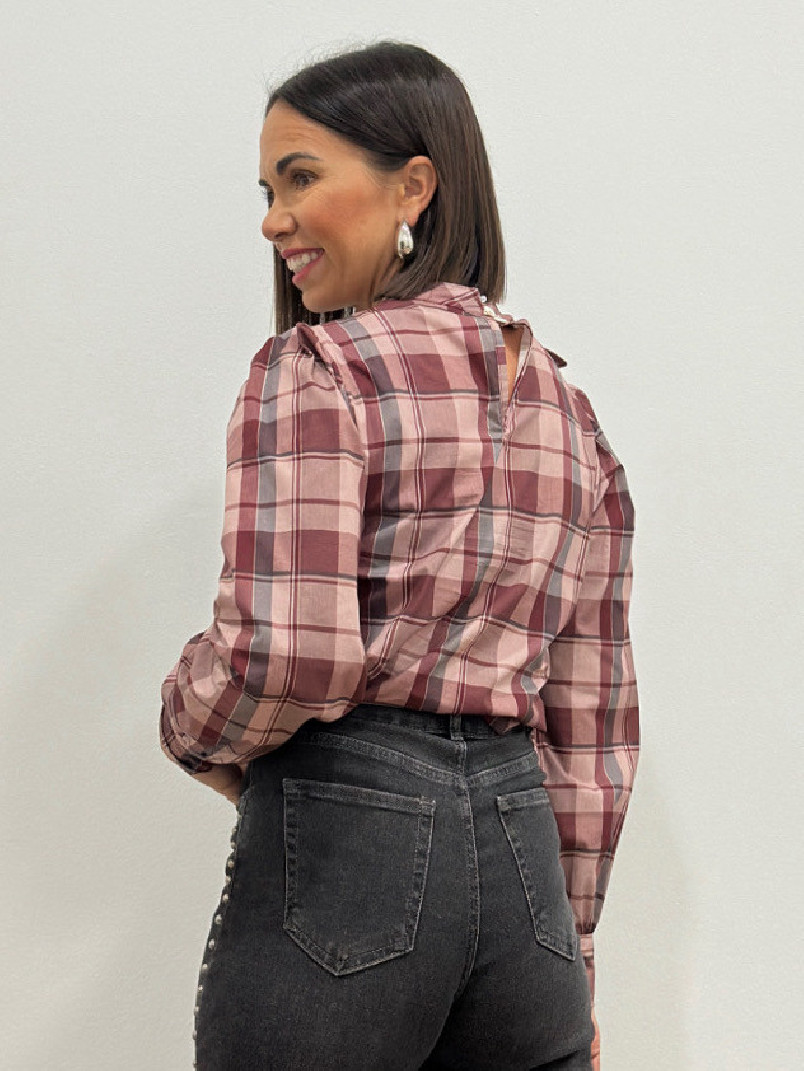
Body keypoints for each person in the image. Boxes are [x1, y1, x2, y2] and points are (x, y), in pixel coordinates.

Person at [159, 40, 638, 1071]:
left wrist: (186, 725)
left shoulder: (318, 369)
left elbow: (290, 656)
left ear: (414, 185)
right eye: (268, 189)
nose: (273, 219)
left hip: (351, 852)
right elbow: (591, 728)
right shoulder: (574, 417)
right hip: (527, 885)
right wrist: (570, 958)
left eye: (301, 178)